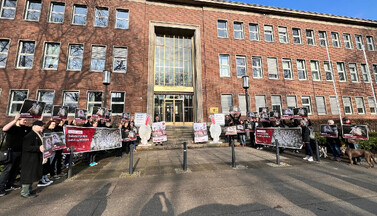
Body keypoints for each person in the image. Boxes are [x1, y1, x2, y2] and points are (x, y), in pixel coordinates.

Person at [0, 114, 31, 197]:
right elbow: (4, 128)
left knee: (15, 169)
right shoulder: (12, 128)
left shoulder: (25, 128)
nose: (25, 121)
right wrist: (14, 120)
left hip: (19, 152)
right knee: (6, 170)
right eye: (24, 120)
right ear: (18, 120)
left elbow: (35, 128)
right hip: (11, 152)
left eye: (26, 120)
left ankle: (10, 185)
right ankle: (1, 189)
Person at [20, 120, 45, 198]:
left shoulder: (37, 134)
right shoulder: (30, 135)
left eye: (42, 126)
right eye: (40, 126)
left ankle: (29, 190)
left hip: (33, 158)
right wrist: (38, 148)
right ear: (34, 126)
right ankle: (24, 193)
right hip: (29, 159)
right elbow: (26, 147)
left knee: (31, 175)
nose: (42, 127)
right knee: (28, 175)